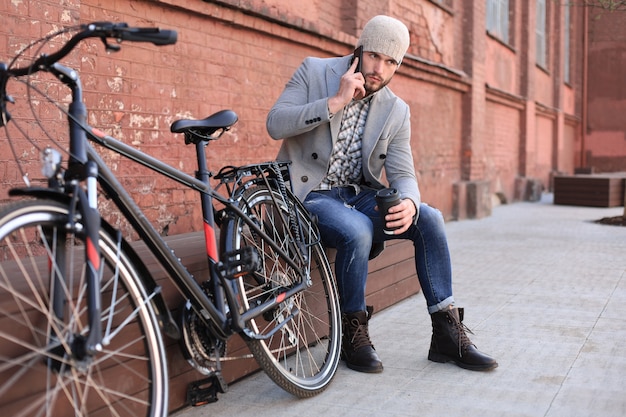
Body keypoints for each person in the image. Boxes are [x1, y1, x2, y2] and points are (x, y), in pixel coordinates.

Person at [266, 15, 497, 373]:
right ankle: (352, 332)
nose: (380, 69)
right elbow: (275, 123)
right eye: (375, 56)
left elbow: (404, 173)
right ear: (359, 49)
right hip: (307, 193)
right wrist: (335, 102)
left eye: (391, 62)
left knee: (429, 218)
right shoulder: (314, 72)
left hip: (356, 195)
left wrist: (409, 201)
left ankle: (447, 335)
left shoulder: (396, 109)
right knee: (356, 228)